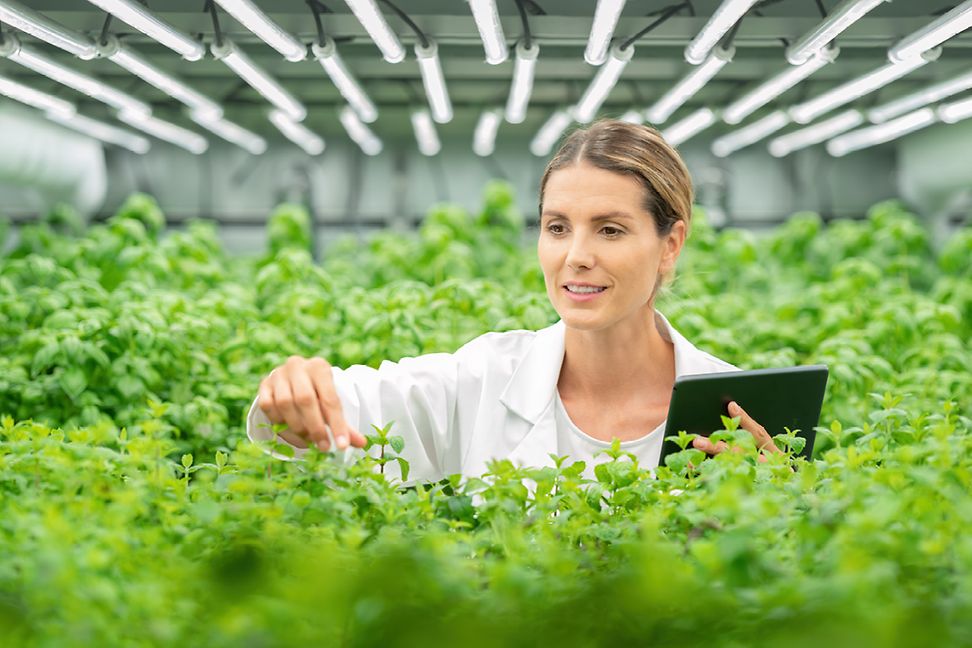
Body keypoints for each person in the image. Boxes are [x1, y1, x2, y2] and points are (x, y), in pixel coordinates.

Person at [247, 119, 783, 482]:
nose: (575, 256)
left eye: (610, 230)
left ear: (670, 245)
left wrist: (781, 498)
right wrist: (295, 390)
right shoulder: (484, 378)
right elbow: (344, 410)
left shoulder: (743, 411)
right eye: (557, 227)